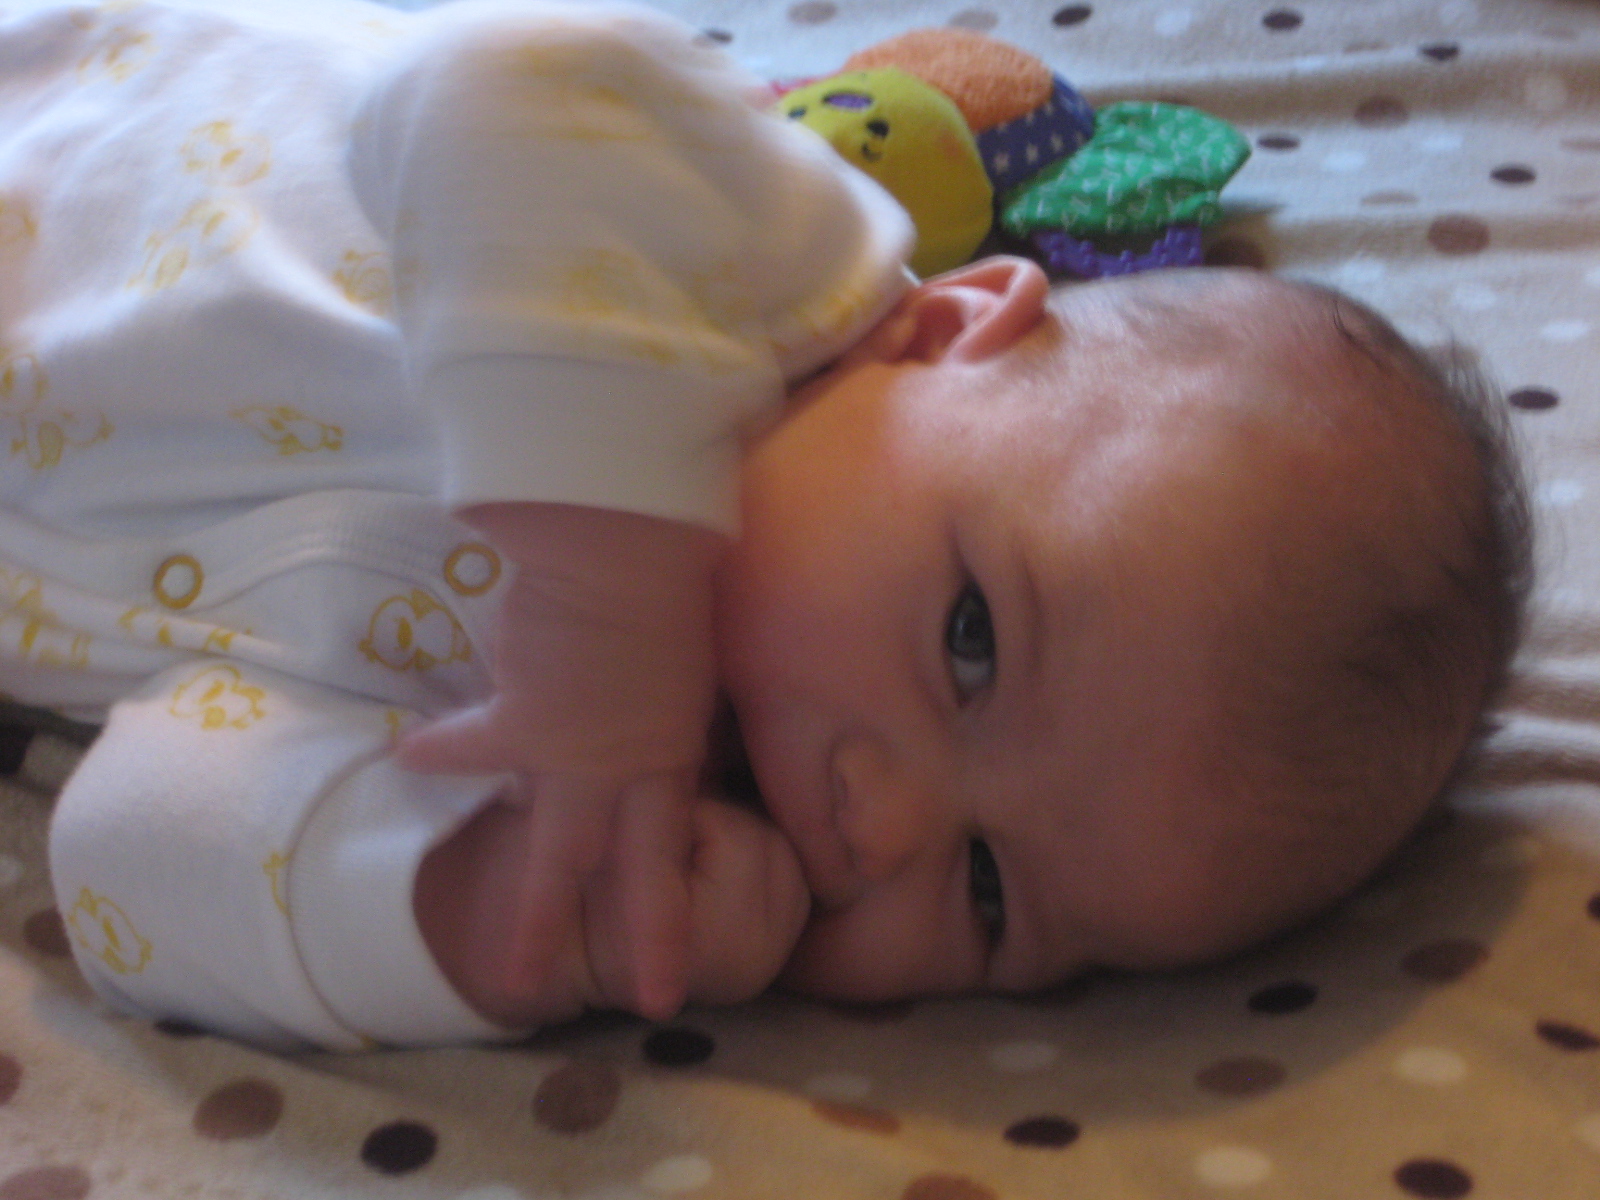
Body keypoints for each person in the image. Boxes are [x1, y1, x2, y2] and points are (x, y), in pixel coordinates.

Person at [3, 0, 1527, 1050]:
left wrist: (496, 913)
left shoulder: (540, 785)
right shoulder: (757, 266)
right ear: (944, 331)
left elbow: (132, 852)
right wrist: (602, 591)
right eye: (973, 641)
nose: (882, 822)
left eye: (985, 893)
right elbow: (504, 78)